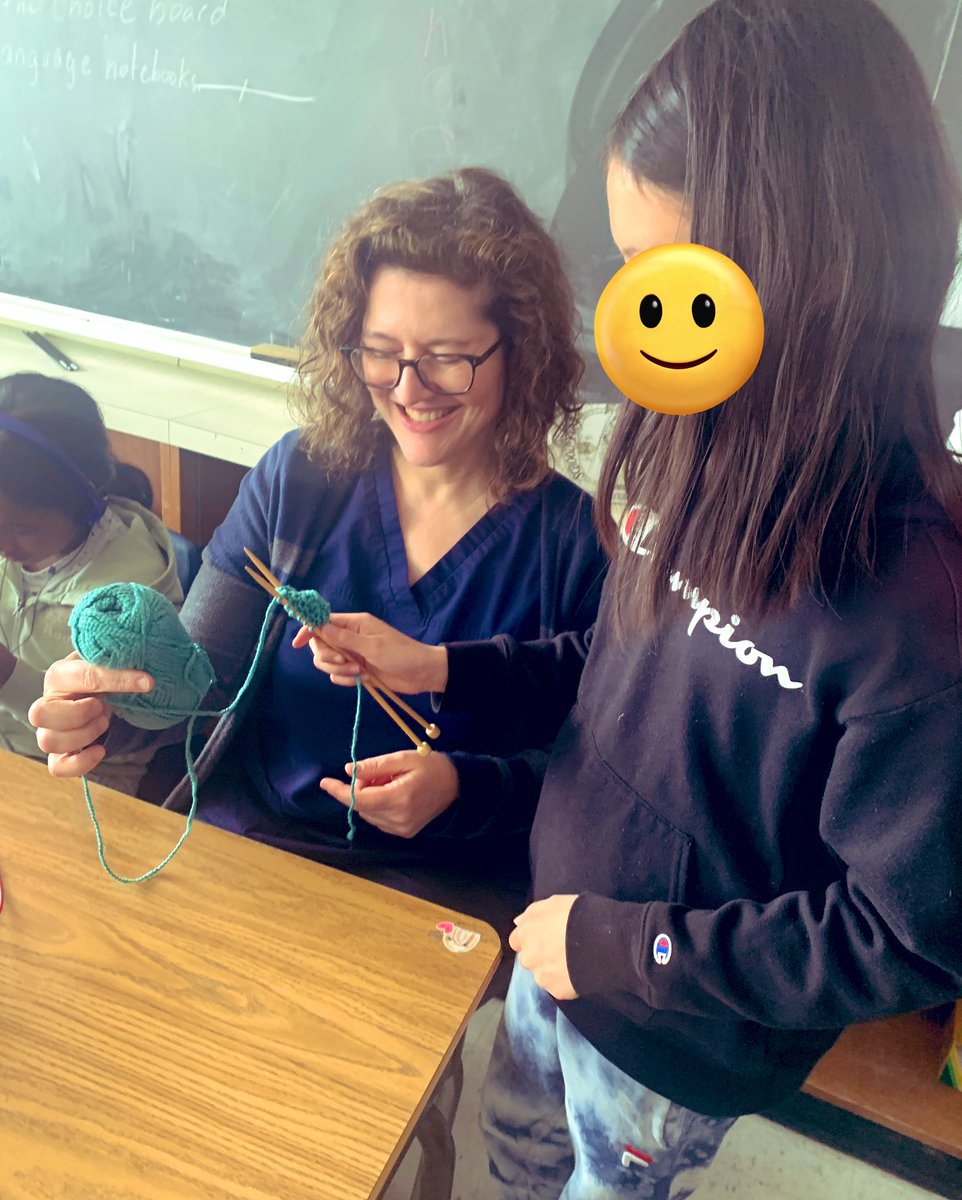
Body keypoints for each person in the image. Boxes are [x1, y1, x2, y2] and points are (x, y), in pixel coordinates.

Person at [278, 1, 962, 1195]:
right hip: (555, 937)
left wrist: (618, 944)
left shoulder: (910, 604)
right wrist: (443, 669)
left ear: (815, 272)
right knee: (513, 1155)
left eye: (667, 277)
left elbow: (905, 937)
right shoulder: (680, 436)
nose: (636, 327)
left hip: (674, 1031)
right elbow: (622, 659)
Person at [29, 167, 608, 929]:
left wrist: (462, 790)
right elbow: (197, 685)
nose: (408, 389)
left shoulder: (572, 542)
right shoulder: (298, 480)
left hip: (439, 895)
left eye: (448, 357)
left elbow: (589, 785)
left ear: (519, 351)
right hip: (254, 850)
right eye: (380, 352)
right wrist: (105, 705)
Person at [0, 372, 183, 794]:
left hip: (90, 778)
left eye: (22, 528)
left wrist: (8, 675)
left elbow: (109, 728)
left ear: (84, 502)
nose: (3, 543)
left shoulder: (127, 600)